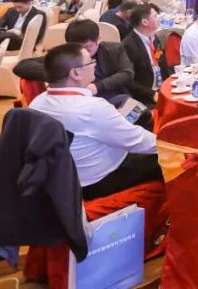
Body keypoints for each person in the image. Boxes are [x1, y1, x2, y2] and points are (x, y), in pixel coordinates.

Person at [29, 42, 161, 199]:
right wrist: (173, 145)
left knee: (133, 108)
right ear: (75, 73)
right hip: (99, 180)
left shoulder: (37, 102)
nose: (94, 65)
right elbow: (138, 141)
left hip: (67, 176)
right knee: (167, 159)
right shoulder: (92, 108)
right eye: (91, 62)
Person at [65, 19, 135, 104]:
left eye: (87, 47)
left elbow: (127, 73)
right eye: (77, 48)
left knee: (130, 104)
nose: (82, 52)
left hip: (113, 96)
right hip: (82, 102)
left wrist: (98, 86)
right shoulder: (62, 57)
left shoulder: (114, 49)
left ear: (98, 40)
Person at [121, 4, 170, 107]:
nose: (158, 19)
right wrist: (151, 94)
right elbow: (127, 80)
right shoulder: (128, 45)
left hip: (162, 88)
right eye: (155, 16)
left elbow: (162, 63)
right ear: (145, 22)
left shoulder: (154, 38)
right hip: (145, 96)